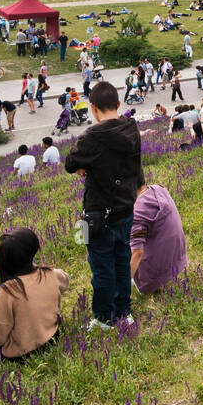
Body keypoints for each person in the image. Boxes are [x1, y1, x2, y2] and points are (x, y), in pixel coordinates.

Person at [64, 81, 141, 329]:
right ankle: (124, 313)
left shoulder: (91, 136)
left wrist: (85, 167)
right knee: (121, 261)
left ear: (93, 108)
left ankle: (103, 318)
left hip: (97, 214)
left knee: (101, 269)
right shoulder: (132, 129)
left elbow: (70, 163)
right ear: (119, 104)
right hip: (127, 209)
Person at [0, 229, 68, 360]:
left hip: (20, 354)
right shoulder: (51, 274)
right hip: (52, 339)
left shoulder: (6, 292)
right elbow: (65, 281)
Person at [130, 178, 188, 294]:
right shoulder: (159, 189)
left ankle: (135, 280)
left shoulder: (137, 213)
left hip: (153, 278)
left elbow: (137, 252)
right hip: (178, 260)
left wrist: (121, 286)